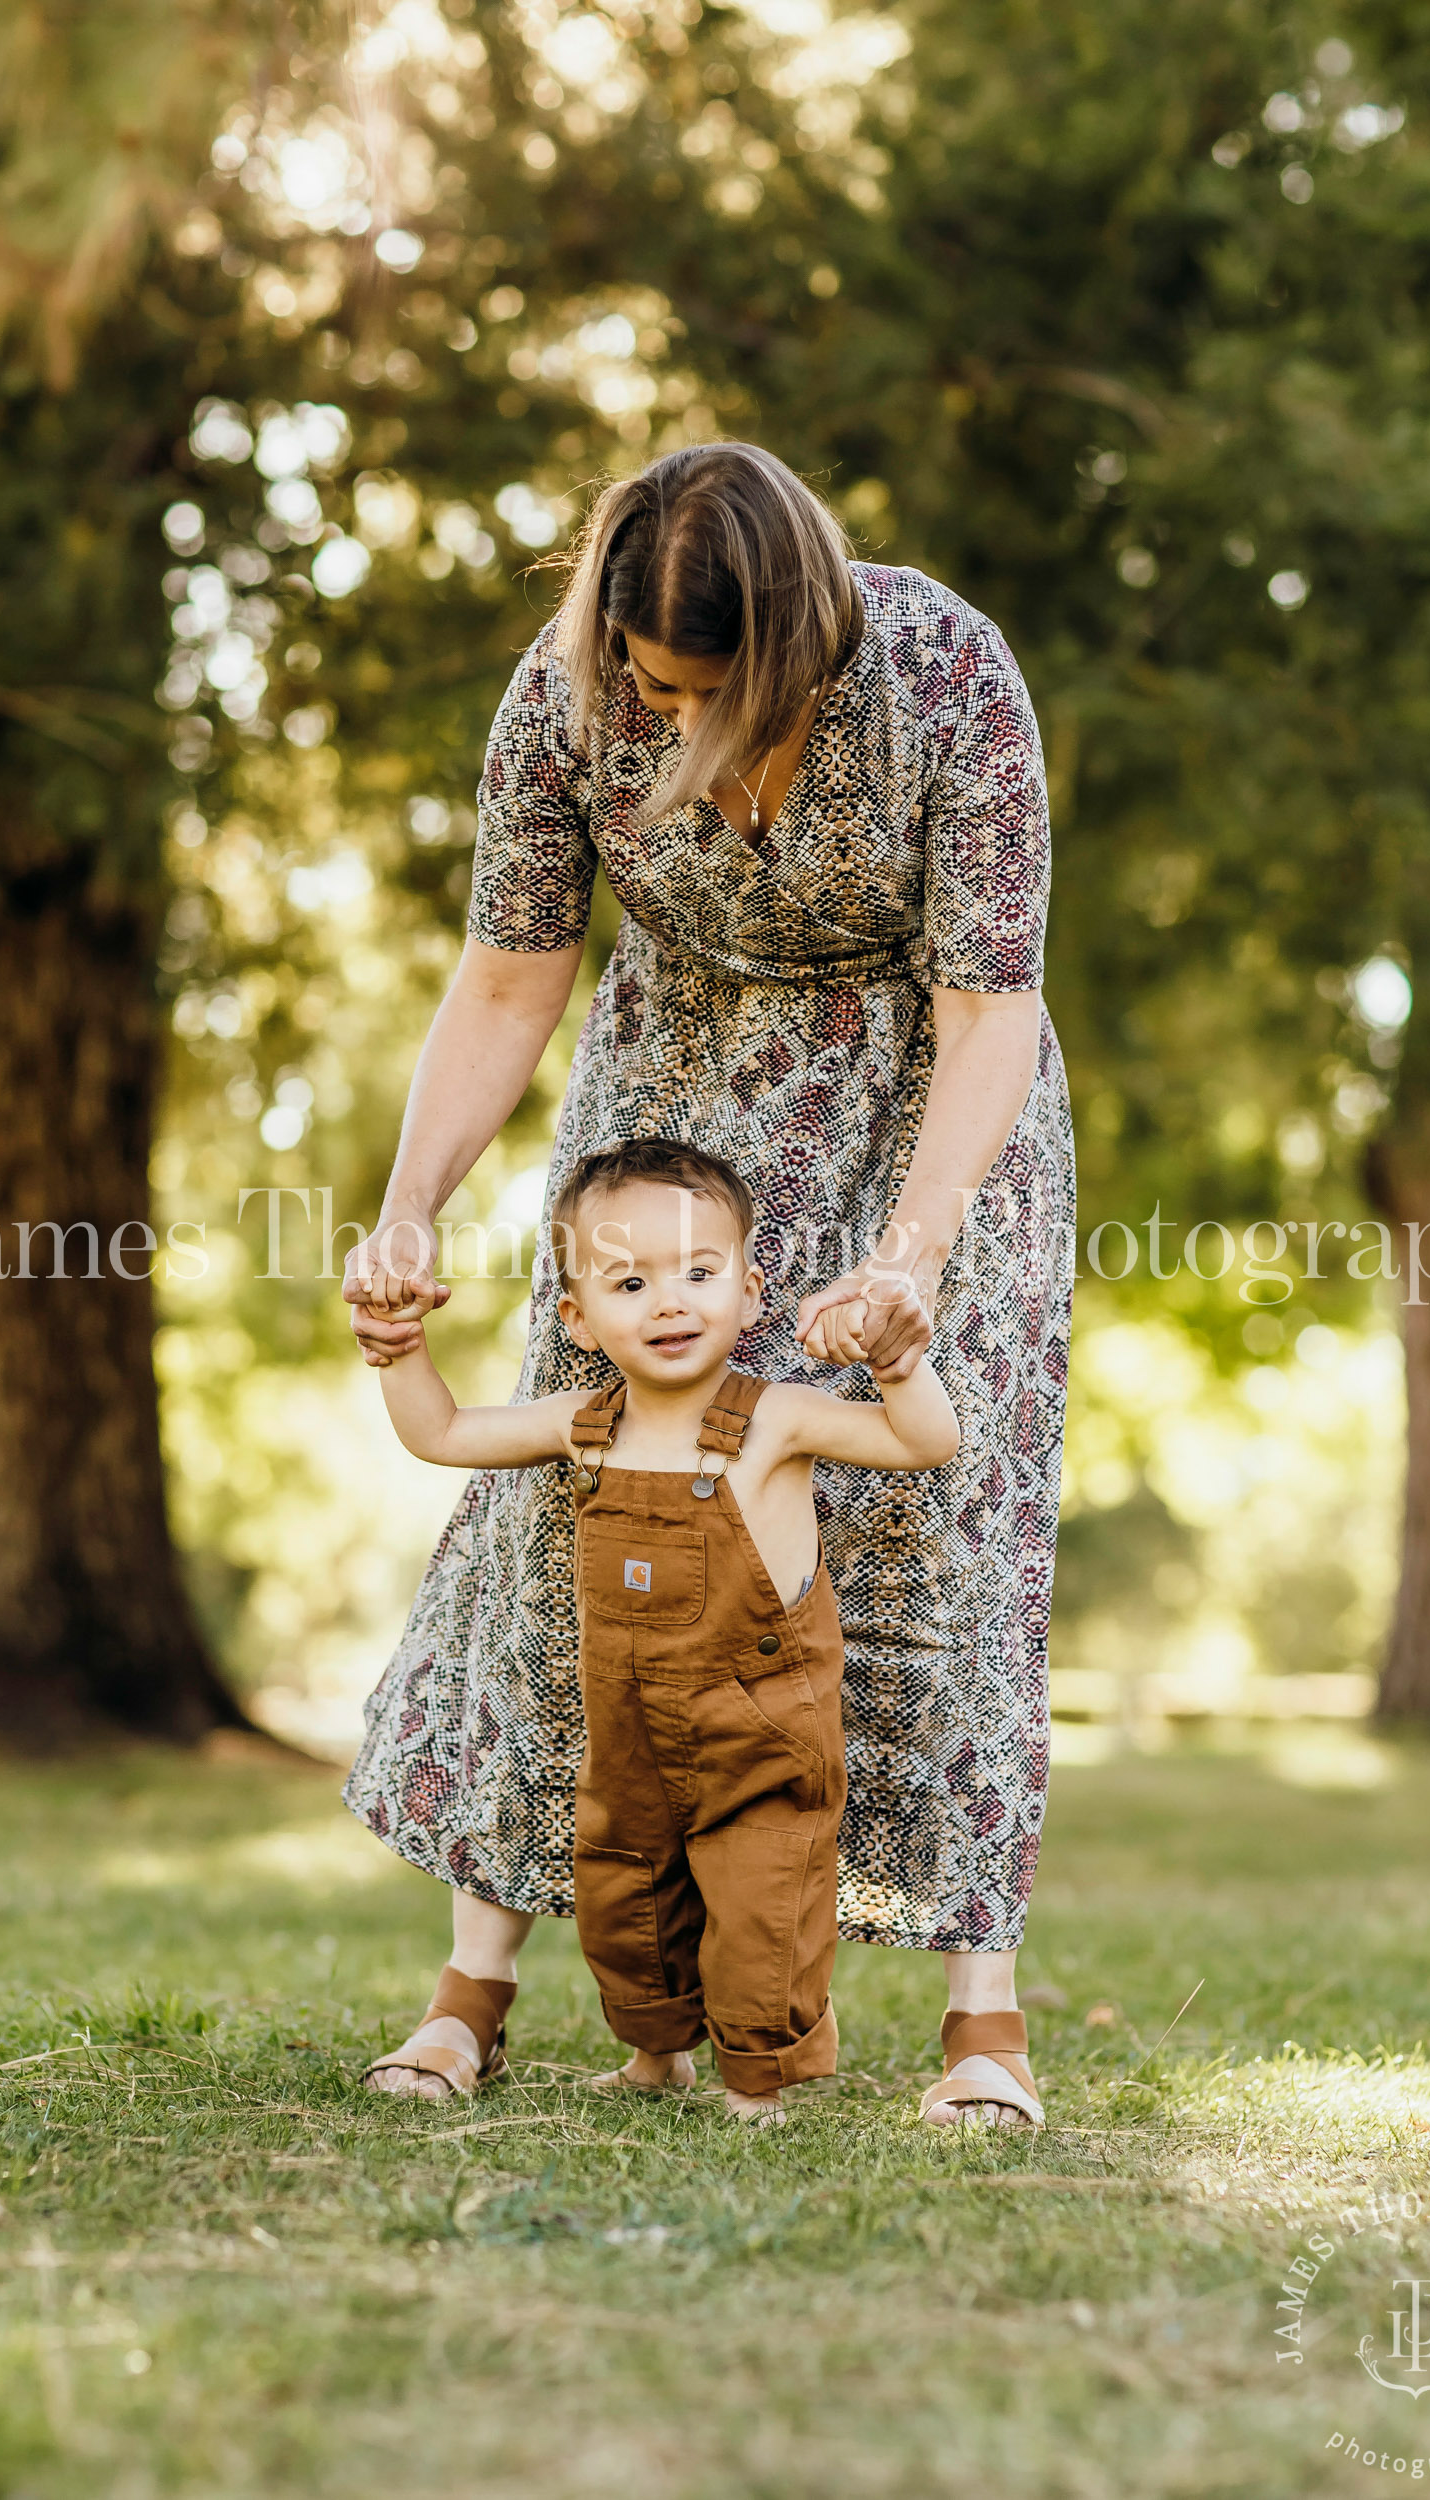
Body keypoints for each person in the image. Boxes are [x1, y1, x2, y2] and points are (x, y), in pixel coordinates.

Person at [344, 439, 1073, 2132]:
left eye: (697, 695)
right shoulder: (569, 687)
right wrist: (407, 1205)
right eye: (643, 686)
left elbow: (990, 1009)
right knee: (582, 1503)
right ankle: (476, 1987)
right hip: (663, 1117)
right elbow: (513, 976)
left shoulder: (948, 672)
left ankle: (982, 2020)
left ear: (795, 651)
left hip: (927, 1119)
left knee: (937, 1519)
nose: (661, 721)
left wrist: (908, 1260)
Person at [364, 1138, 960, 2124]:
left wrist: (898, 1363)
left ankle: (756, 2084)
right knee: (626, 1900)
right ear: (579, 1317)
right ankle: (655, 2054)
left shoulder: (776, 1420)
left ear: (751, 1289)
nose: (670, 1300)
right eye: (630, 1280)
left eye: (699, 1271)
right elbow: (442, 1434)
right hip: (631, 1733)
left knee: (763, 1910)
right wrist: (400, 1348)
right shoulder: (583, 1422)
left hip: (760, 1731)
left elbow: (922, 1440)